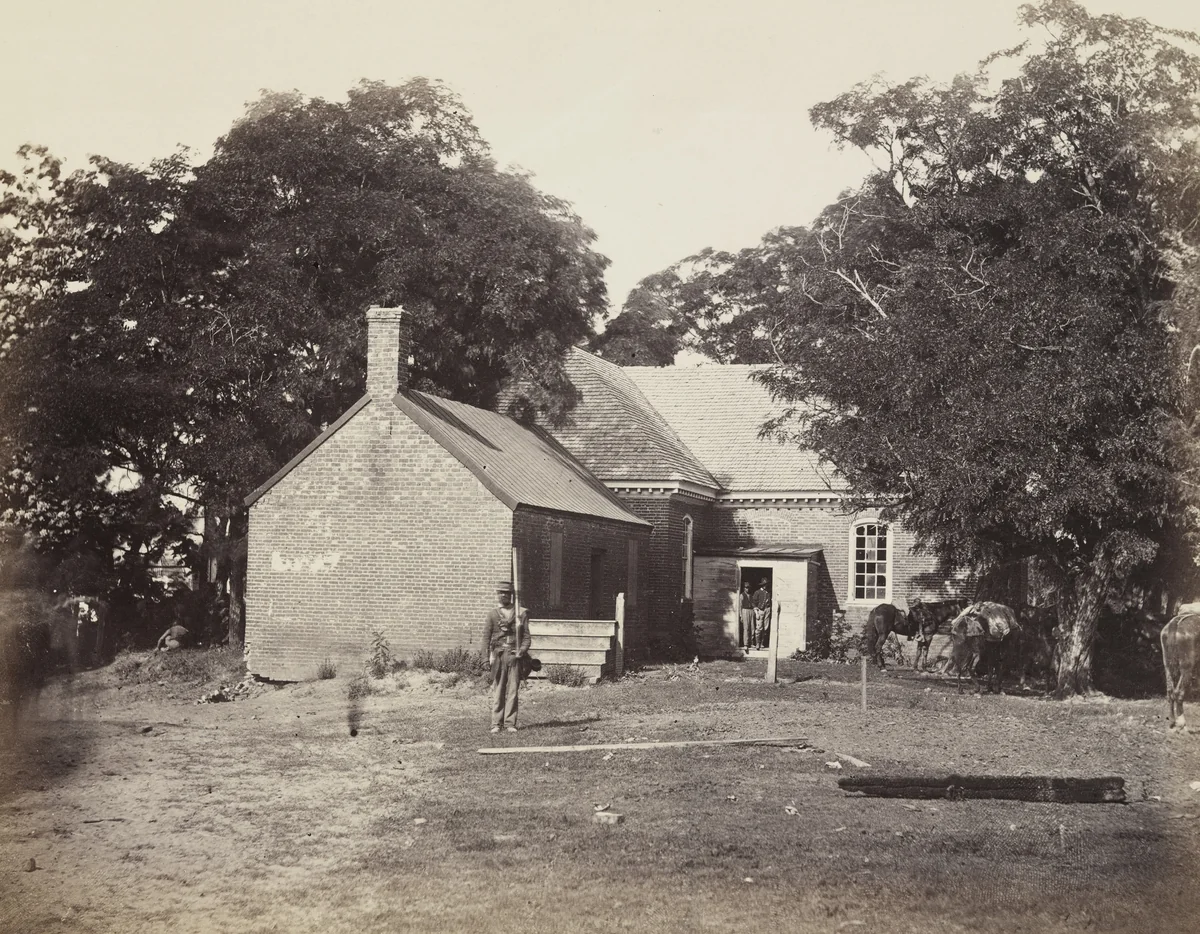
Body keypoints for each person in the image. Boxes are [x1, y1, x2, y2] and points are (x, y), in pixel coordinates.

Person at [482, 581, 530, 733]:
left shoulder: (520, 614)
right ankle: (496, 723)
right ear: (497, 595)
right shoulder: (492, 614)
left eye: (506, 593)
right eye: (500, 592)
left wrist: (521, 651)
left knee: (513, 690)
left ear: (511, 595)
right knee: (499, 689)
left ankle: (510, 723)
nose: (503, 595)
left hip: (514, 657)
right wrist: (485, 659)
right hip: (498, 656)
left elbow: (527, 638)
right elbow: (485, 638)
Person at [752, 579, 771, 650]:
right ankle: (757, 643)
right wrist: (756, 612)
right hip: (760, 611)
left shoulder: (768, 593)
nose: (765, 586)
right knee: (759, 627)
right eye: (764, 584)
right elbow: (753, 602)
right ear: (762, 585)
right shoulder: (757, 592)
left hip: (767, 610)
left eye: (766, 584)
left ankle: (762, 643)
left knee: (766, 627)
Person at [738, 582, 754, 653]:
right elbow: (740, 606)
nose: (747, 589)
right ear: (744, 588)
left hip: (751, 611)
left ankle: (752, 643)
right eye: (746, 587)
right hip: (744, 611)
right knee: (746, 628)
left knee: (752, 627)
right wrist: (741, 615)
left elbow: (753, 604)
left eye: (748, 587)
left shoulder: (751, 595)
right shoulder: (742, 595)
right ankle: (746, 644)